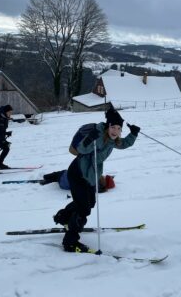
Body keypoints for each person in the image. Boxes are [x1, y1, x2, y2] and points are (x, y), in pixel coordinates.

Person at [53, 107, 140, 253]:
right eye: (113, 127)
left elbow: (124, 144)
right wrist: (89, 138)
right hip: (78, 173)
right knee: (84, 209)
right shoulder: (98, 135)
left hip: (91, 175)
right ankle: (70, 242)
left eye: (119, 128)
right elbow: (81, 149)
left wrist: (134, 134)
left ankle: (63, 217)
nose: (115, 130)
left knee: (89, 203)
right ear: (108, 126)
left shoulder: (113, 140)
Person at [40, 170, 116, 193]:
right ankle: (51, 179)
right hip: (65, 186)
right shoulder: (97, 188)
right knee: (60, 177)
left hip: (66, 177)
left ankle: (46, 177)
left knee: (60, 173)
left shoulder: (94, 175)